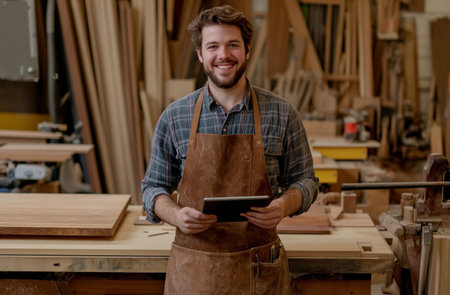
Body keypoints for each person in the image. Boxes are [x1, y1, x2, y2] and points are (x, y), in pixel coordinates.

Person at [141, 5, 319, 294]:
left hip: (259, 272)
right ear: (200, 54)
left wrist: (284, 206)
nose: (223, 55)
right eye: (213, 46)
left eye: (233, 45)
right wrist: (176, 216)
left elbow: (307, 181)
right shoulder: (174, 117)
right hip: (193, 270)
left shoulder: (282, 114)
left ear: (247, 49)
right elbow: (152, 188)